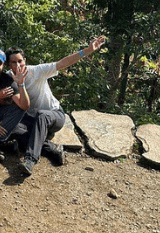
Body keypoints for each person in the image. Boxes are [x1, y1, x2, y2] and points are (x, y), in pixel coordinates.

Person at [6, 36, 105, 175]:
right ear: (8, 64)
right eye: (13, 62)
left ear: (25, 61)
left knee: (42, 115)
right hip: (31, 119)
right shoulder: (8, 78)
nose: (18, 65)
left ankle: (30, 160)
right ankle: (51, 149)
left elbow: (62, 63)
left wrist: (87, 50)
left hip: (54, 115)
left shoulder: (37, 71)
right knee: (11, 126)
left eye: (20, 61)